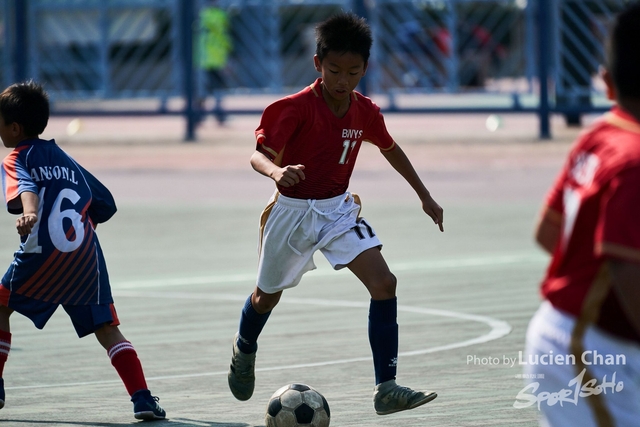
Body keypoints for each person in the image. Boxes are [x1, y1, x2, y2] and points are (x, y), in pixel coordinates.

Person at [227, 12, 444, 416]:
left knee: (385, 282)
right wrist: (278, 171)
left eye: (353, 71)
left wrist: (424, 194)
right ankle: (244, 347)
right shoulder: (291, 109)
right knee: (264, 298)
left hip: (338, 210)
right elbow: (258, 157)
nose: (343, 81)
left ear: (365, 68)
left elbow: (390, 148)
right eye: (334, 71)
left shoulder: (365, 112)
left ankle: (386, 387)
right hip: (292, 213)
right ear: (317, 64)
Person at [0, 81, 166, 421]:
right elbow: (105, 203)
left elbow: (27, 189)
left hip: (41, 256)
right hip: (85, 257)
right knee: (107, 329)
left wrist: (30, 212)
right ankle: (143, 399)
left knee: (0, 307)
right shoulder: (66, 159)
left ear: (14, 128)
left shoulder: (16, 157)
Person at [521, 3, 640, 426]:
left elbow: (547, 233)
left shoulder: (602, 135)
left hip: (582, 336)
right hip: (591, 349)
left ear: (607, 84)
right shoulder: (633, 162)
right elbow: (628, 273)